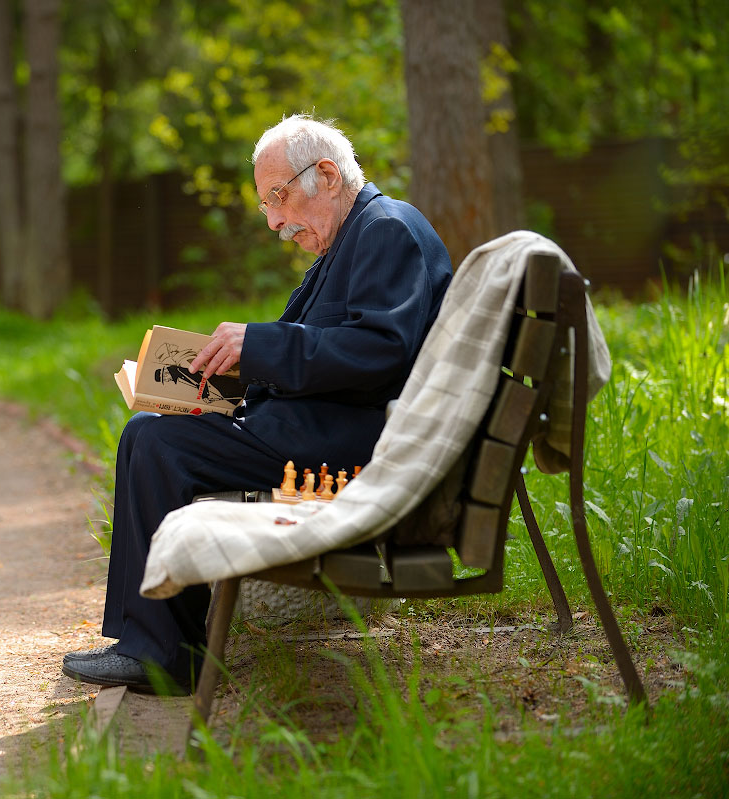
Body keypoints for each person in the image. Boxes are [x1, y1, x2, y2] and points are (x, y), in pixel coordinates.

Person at [62, 114, 453, 693]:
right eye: (266, 205)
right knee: (155, 429)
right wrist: (227, 382)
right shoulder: (352, 239)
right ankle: (150, 642)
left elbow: (380, 352)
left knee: (154, 440)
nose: (274, 221)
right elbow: (329, 350)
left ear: (326, 173)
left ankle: (162, 653)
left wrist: (260, 345)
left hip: (347, 444)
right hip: (319, 427)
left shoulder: (385, 229)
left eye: (279, 196)